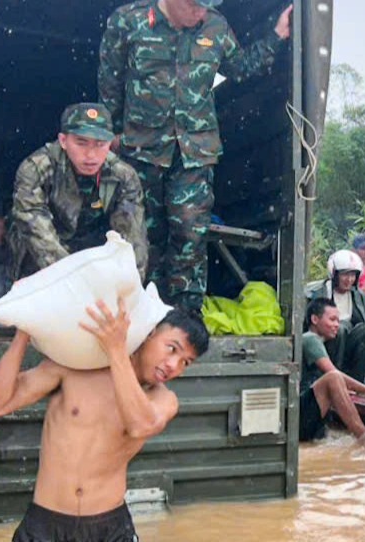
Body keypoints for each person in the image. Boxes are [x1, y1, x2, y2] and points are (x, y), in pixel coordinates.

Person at [98, 0, 294, 314]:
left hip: (195, 152)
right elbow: (110, 80)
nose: (201, 13)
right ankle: (142, 310)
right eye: (194, 6)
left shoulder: (215, 26)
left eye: (206, 7)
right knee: (142, 233)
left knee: (190, 231)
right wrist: (112, 131)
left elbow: (240, 68)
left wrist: (277, 35)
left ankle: (185, 317)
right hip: (141, 150)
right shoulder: (128, 21)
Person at [0, 301, 210, 542]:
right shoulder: (74, 368)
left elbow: (139, 425)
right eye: (172, 348)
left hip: (110, 528)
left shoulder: (163, 401)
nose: (174, 365)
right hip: (45, 522)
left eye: (185, 362)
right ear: (148, 333)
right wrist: (22, 333)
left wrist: (117, 352)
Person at [7, 103, 147, 282]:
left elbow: (132, 239)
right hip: (43, 257)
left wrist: (129, 287)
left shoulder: (123, 176)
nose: (91, 155)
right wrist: (77, 282)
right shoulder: (36, 169)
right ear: (63, 141)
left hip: (92, 252)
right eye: (81, 143)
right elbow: (38, 235)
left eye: (100, 144)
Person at [300, 298, 365, 441]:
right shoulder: (310, 339)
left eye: (338, 320)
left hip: (308, 414)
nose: (337, 325)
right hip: (301, 413)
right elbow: (332, 373)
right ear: (315, 319)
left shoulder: (316, 341)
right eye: (332, 320)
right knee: (334, 378)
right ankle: (364, 436)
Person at [306, 250, 365, 383]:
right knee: (340, 328)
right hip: (326, 344)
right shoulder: (318, 293)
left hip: (349, 343)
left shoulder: (359, 297)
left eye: (353, 275)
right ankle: (335, 379)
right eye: (345, 275)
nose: (349, 279)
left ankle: (356, 381)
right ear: (335, 274)